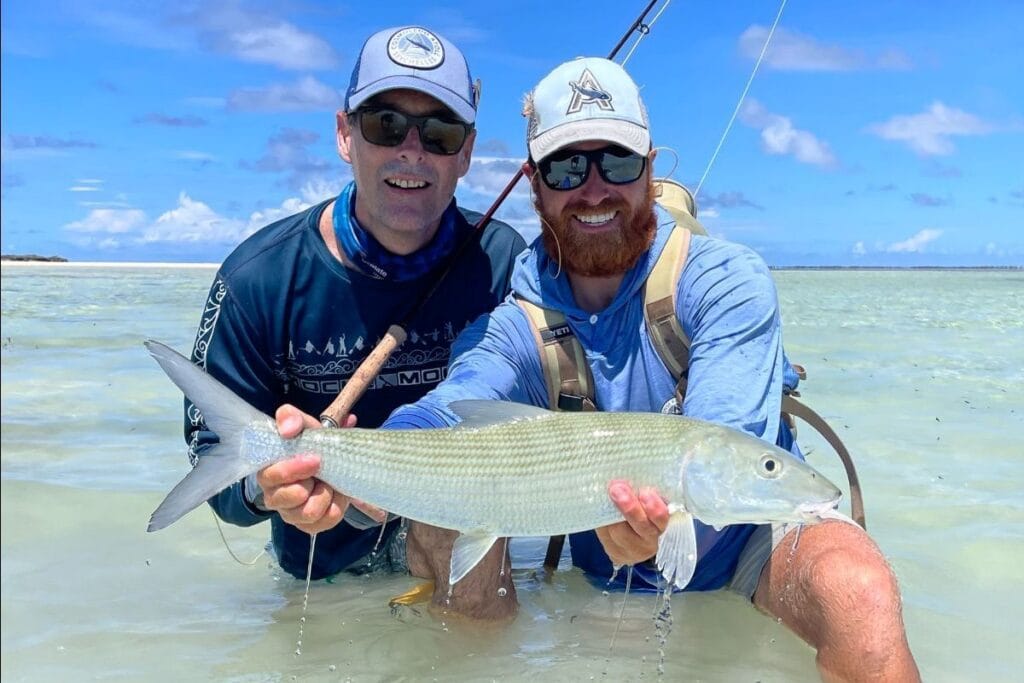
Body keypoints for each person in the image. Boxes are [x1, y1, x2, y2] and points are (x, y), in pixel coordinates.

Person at [369, 57, 920, 679]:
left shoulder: (724, 280)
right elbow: (451, 407)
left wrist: (663, 529)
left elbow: (720, 458)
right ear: (536, 183)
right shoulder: (515, 323)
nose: (595, 188)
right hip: (601, 566)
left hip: (750, 548)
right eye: (568, 165)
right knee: (443, 526)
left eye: (620, 162)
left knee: (861, 592)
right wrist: (343, 464)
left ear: (650, 171)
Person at [183, 25, 526, 609]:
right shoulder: (255, 280)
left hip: (458, 559)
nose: (411, 151)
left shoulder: (501, 262)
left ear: (466, 153)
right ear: (345, 135)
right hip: (321, 575)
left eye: (439, 132)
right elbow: (208, 453)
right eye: (385, 124)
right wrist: (267, 491)